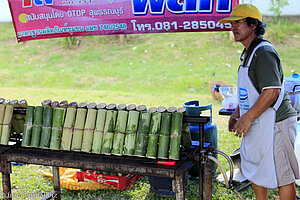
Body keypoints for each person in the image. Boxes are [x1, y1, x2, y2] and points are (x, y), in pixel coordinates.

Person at [219, 4, 299, 200]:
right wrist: (238, 113)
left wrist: (246, 118)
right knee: (255, 167)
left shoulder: (263, 52)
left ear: (253, 25)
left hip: (276, 122)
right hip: (257, 120)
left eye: (238, 22)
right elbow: (251, 91)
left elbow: (271, 91)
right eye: (232, 23)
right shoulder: (248, 52)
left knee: (283, 175)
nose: (233, 27)